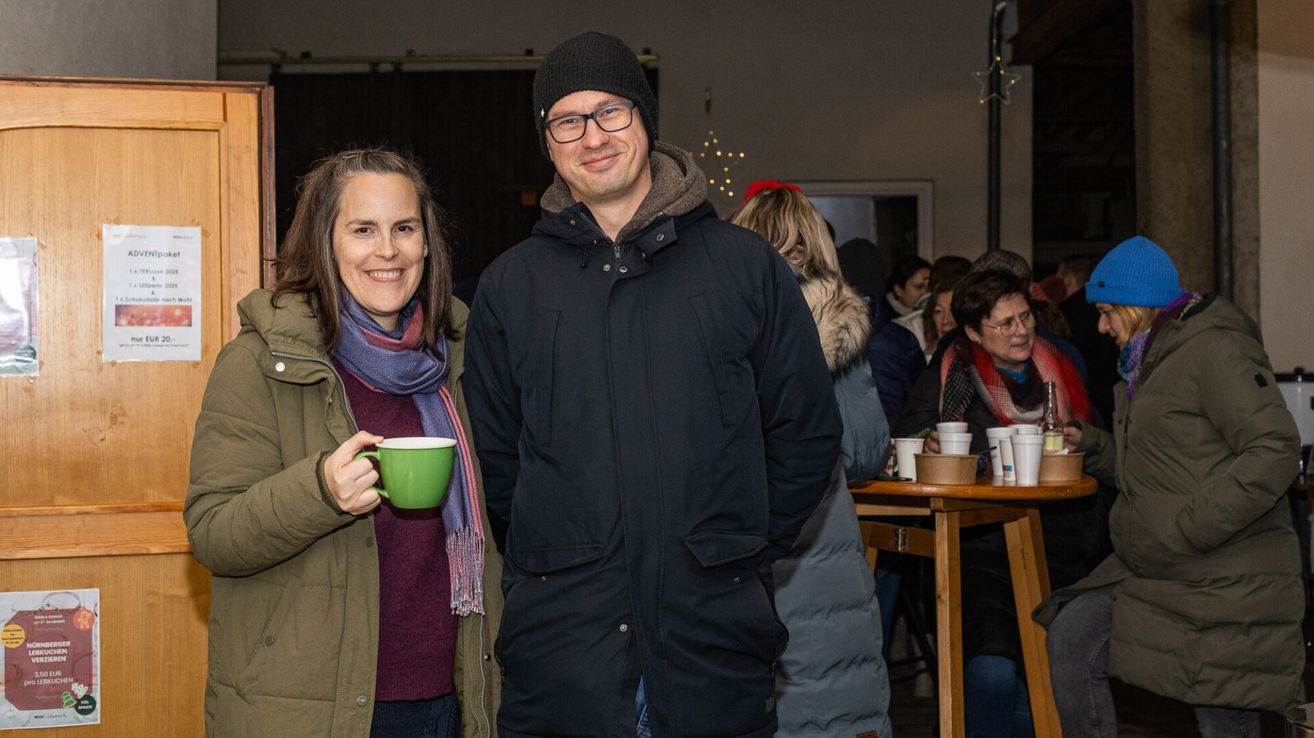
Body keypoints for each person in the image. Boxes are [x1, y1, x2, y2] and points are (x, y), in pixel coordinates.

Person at [463, 32, 842, 737]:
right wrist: (560, 549)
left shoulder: (743, 266)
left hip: (711, 646)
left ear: (644, 118)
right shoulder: (511, 286)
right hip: (562, 656)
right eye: (566, 120)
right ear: (547, 144)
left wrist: (738, 551)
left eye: (610, 111)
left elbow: (807, 434)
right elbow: (495, 463)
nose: (592, 136)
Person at [183, 148, 503, 737]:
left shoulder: (461, 359)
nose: (388, 250)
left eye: (404, 228)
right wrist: (318, 493)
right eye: (363, 230)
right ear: (324, 244)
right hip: (312, 707)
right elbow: (212, 532)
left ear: (426, 245)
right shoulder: (262, 362)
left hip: (449, 698)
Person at [1036, 236, 1304, 738]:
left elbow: (1275, 450)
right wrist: (1094, 447)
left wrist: (1189, 527)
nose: (1100, 326)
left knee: (1223, 705)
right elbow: (1161, 468)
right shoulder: (1146, 366)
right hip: (1160, 567)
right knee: (1072, 636)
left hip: (1223, 573)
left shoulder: (1214, 349)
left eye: (1108, 312)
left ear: (1138, 308)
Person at [894, 269, 1108, 738]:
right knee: (991, 669)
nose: (1021, 330)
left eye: (1025, 316)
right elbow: (911, 432)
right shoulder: (950, 373)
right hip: (982, 547)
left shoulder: (1062, 361)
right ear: (972, 332)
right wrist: (930, 442)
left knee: (1051, 678)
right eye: (1005, 323)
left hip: (1061, 546)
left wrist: (1082, 443)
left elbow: (1102, 445)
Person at [729, 182, 892, 737]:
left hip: (735, 544)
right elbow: (865, 450)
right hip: (819, 546)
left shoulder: (720, 315)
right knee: (833, 699)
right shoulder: (835, 321)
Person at [871, 254, 931, 331]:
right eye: (919, 287)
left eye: (929, 286)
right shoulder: (883, 319)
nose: (926, 292)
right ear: (899, 290)